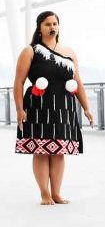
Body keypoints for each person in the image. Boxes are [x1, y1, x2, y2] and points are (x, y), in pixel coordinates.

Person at [14, 11, 93, 204]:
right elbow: (19, 82)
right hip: (38, 106)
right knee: (41, 150)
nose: (52, 27)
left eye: (55, 23)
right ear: (39, 28)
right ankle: (44, 193)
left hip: (64, 107)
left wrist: (86, 108)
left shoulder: (69, 52)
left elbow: (78, 82)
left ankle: (56, 193)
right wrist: (19, 109)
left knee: (58, 151)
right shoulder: (30, 51)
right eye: (47, 24)